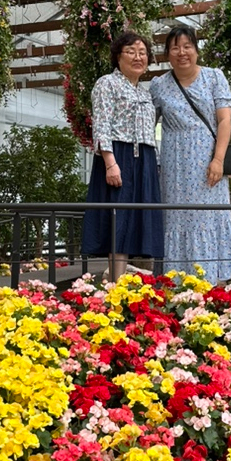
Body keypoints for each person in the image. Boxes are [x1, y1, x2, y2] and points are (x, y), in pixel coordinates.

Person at [151, 26, 231, 285]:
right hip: (174, 166)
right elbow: (146, 124)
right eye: (175, 47)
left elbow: (225, 120)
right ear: (167, 53)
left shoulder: (213, 77)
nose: (182, 52)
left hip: (208, 164)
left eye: (187, 46)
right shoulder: (159, 85)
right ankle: (175, 282)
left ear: (196, 50)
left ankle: (212, 282)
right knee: (176, 218)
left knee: (208, 217)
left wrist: (218, 159)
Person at [81, 31, 164, 282]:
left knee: (135, 219)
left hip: (145, 159)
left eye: (143, 53)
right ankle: (115, 284)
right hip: (119, 157)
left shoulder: (145, 92)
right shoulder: (107, 83)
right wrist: (110, 163)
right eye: (131, 52)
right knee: (118, 218)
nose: (138, 57)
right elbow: (102, 125)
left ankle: (123, 281)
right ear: (118, 57)